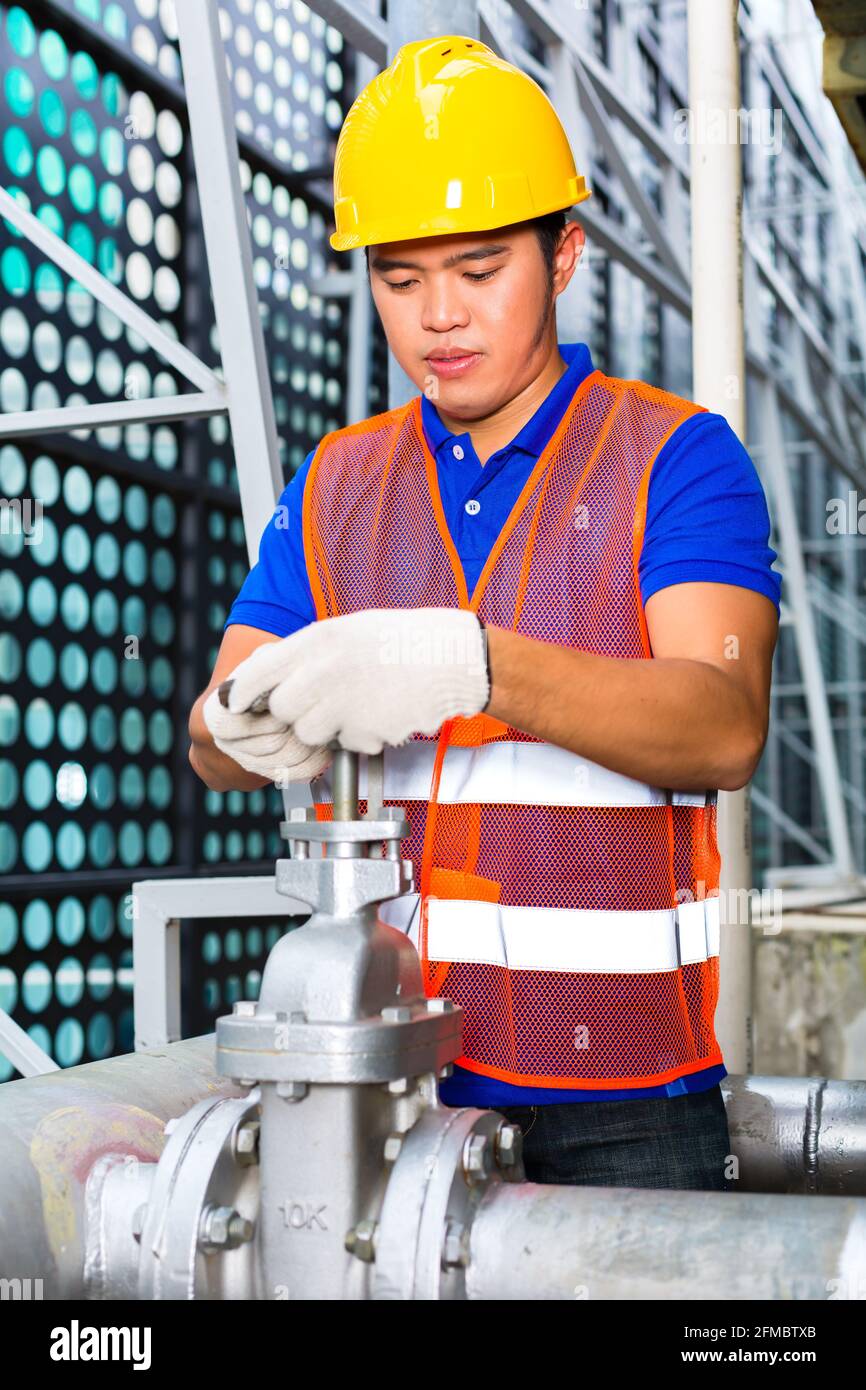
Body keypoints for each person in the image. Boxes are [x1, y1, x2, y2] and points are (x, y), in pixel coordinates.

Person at [188, 36, 781, 1191]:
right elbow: (214, 733)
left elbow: (721, 726)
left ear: (562, 255)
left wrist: (470, 666)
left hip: (623, 1102)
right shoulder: (338, 483)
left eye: (475, 269)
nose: (436, 318)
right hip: (385, 1078)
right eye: (399, 280)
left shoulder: (674, 457)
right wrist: (240, 727)